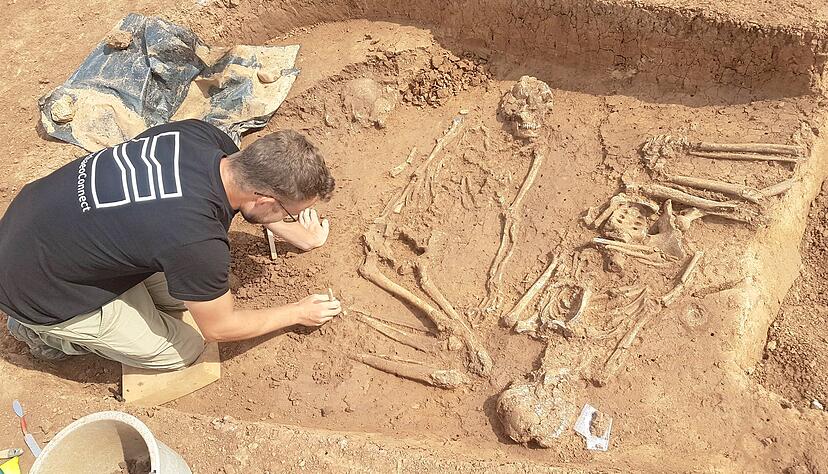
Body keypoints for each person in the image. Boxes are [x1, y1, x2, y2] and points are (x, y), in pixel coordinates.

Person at [0, 119, 342, 370]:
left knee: (186, 294)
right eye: (290, 213)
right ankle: (43, 333)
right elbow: (219, 329)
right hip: (34, 287)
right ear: (265, 200)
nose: (291, 218)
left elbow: (246, 194)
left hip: (40, 221)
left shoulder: (202, 137)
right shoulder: (196, 240)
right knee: (186, 348)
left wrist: (300, 236)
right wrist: (298, 312)